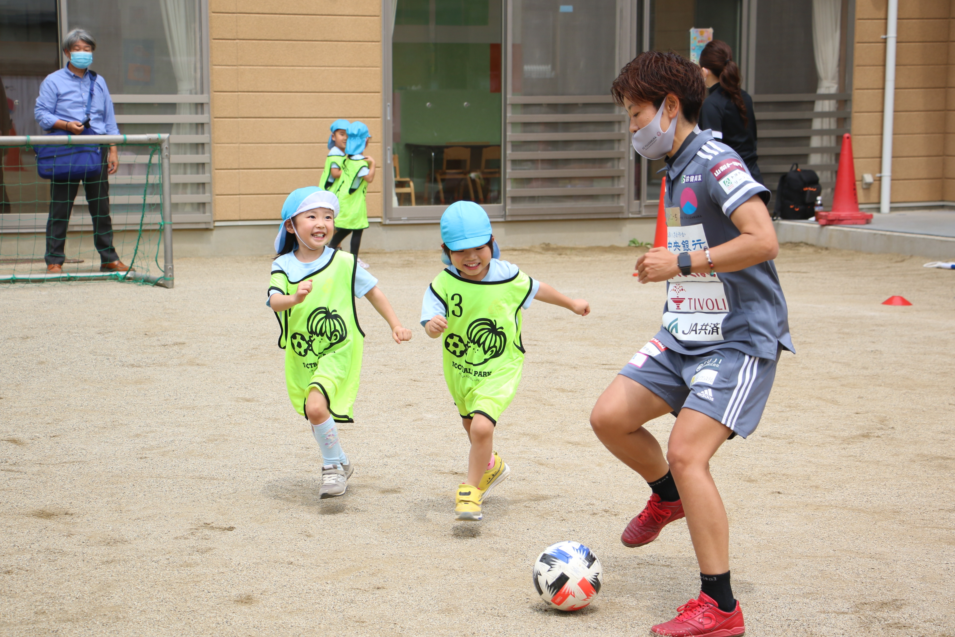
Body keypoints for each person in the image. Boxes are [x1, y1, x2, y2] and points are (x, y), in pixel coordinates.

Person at [590, 51, 792, 636]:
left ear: (670, 108)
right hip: (687, 332)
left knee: (687, 451)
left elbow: (764, 239)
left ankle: (721, 608)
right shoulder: (674, 168)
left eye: (635, 114)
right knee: (609, 417)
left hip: (739, 338)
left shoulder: (716, 160)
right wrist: (673, 272)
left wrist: (681, 260)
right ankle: (667, 496)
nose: (631, 127)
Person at [421, 201, 590, 522]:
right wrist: (432, 326)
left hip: (501, 366)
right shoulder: (442, 283)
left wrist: (571, 303)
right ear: (445, 250)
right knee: (470, 425)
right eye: (460, 251)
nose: (471, 257)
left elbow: (539, 289)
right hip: (460, 369)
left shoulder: (507, 275)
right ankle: (490, 467)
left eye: (479, 248)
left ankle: (470, 491)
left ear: (492, 242)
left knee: (483, 426)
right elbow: (430, 321)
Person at [268, 187, 412, 498]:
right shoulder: (283, 266)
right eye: (312, 216)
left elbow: (373, 291)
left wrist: (396, 324)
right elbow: (275, 301)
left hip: (338, 348)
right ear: (291, 226)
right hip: (303, 352)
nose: (322, 223)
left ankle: (331, 469)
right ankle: (342, 461)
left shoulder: (345, 262)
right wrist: (294, 297)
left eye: (328, 217)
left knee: (317, 406)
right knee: (314, 412)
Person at [34, 28, 129, 274]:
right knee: (60, 207)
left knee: (101, 207)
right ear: (67, 52)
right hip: (64, 151)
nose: (83, 53)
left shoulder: (99, 81)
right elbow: (41, 114)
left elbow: (109, 120)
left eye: (87, 50)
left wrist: (113, 151)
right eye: (77, 49)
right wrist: (65, 125)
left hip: (95, 150)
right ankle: (54, 261)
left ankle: (109, 258)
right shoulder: (53, 80)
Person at [698, 40, 762, 184]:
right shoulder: (744, 97)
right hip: (753, 177)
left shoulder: (712, 104)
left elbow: (713, 153)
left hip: (730, 183)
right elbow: (752, 140)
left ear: (704, 71)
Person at [329, 121, 375, 268]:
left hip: (346, 199)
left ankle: (329, 252)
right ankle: (354, 259)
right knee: (356, 229)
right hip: (353, 203)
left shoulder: (348, 159)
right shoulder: (360, 162)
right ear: (365, 140)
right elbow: (369, 178)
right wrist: (372, 164)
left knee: (346, 229)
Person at [319, 119, 349, 191]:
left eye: (348, 135)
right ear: (333, 137)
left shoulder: (342, 153)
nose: (345, 138)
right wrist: (351, 172)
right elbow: (335, 173)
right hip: (330, 192)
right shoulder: (335, 153)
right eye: (342, 134)